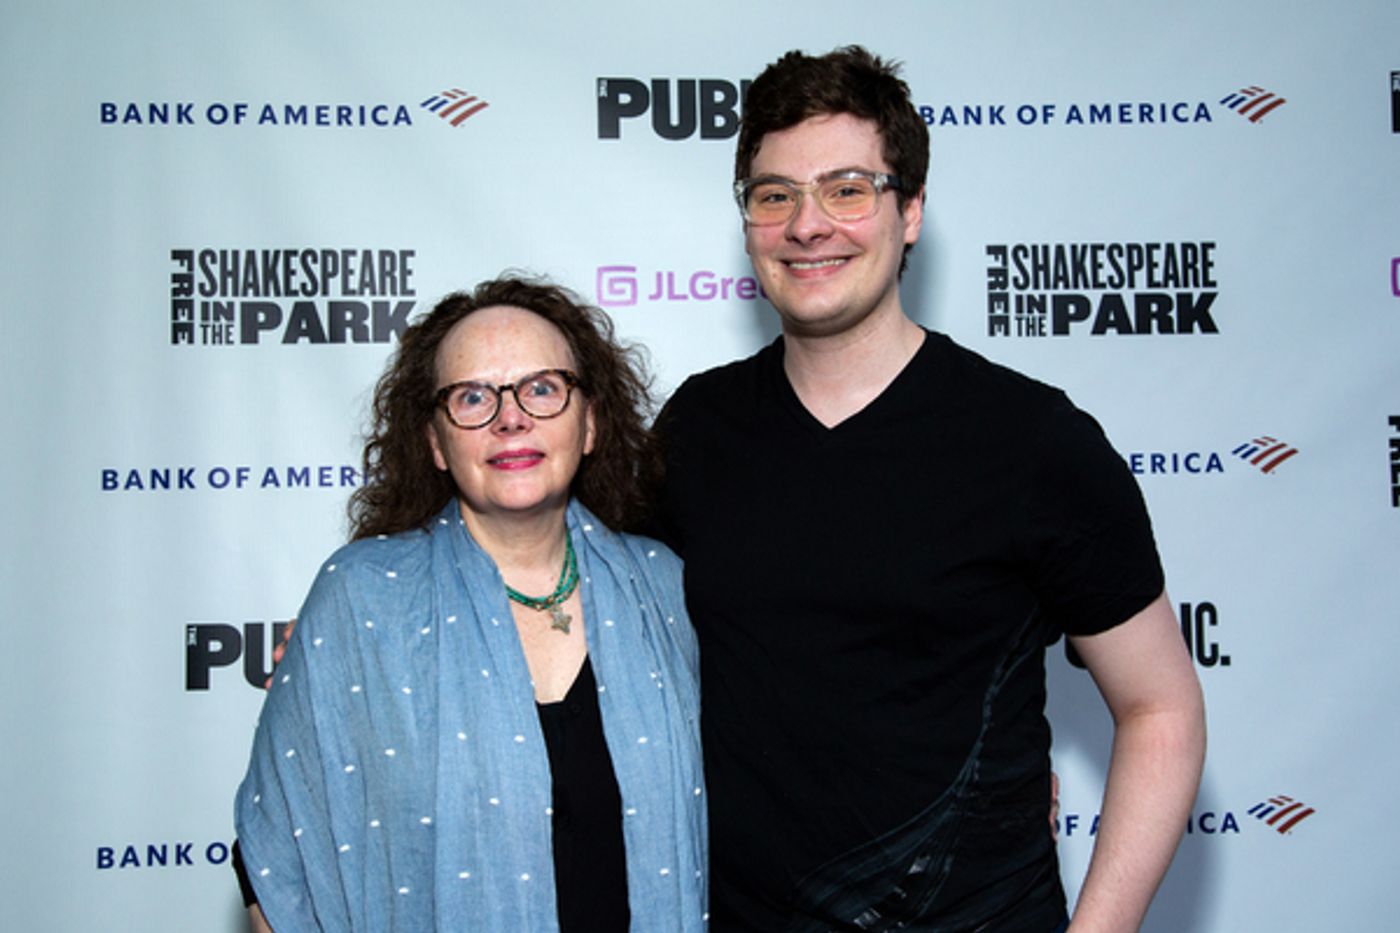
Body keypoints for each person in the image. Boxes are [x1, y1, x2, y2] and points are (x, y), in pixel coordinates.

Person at [650, 47, 1206, 931]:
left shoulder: (1032, 440)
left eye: (846, 188)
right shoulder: (693, 431)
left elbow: (1162, 707)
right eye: (774, 194)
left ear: (909, 212)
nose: (807, 224)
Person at [233, 276, 707, 932]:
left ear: (590, 421)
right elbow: (279, 864)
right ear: (434, 441)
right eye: (473, 397)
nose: (510, 417)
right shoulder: (361, 600)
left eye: (543, 388)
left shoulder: (665, 589)